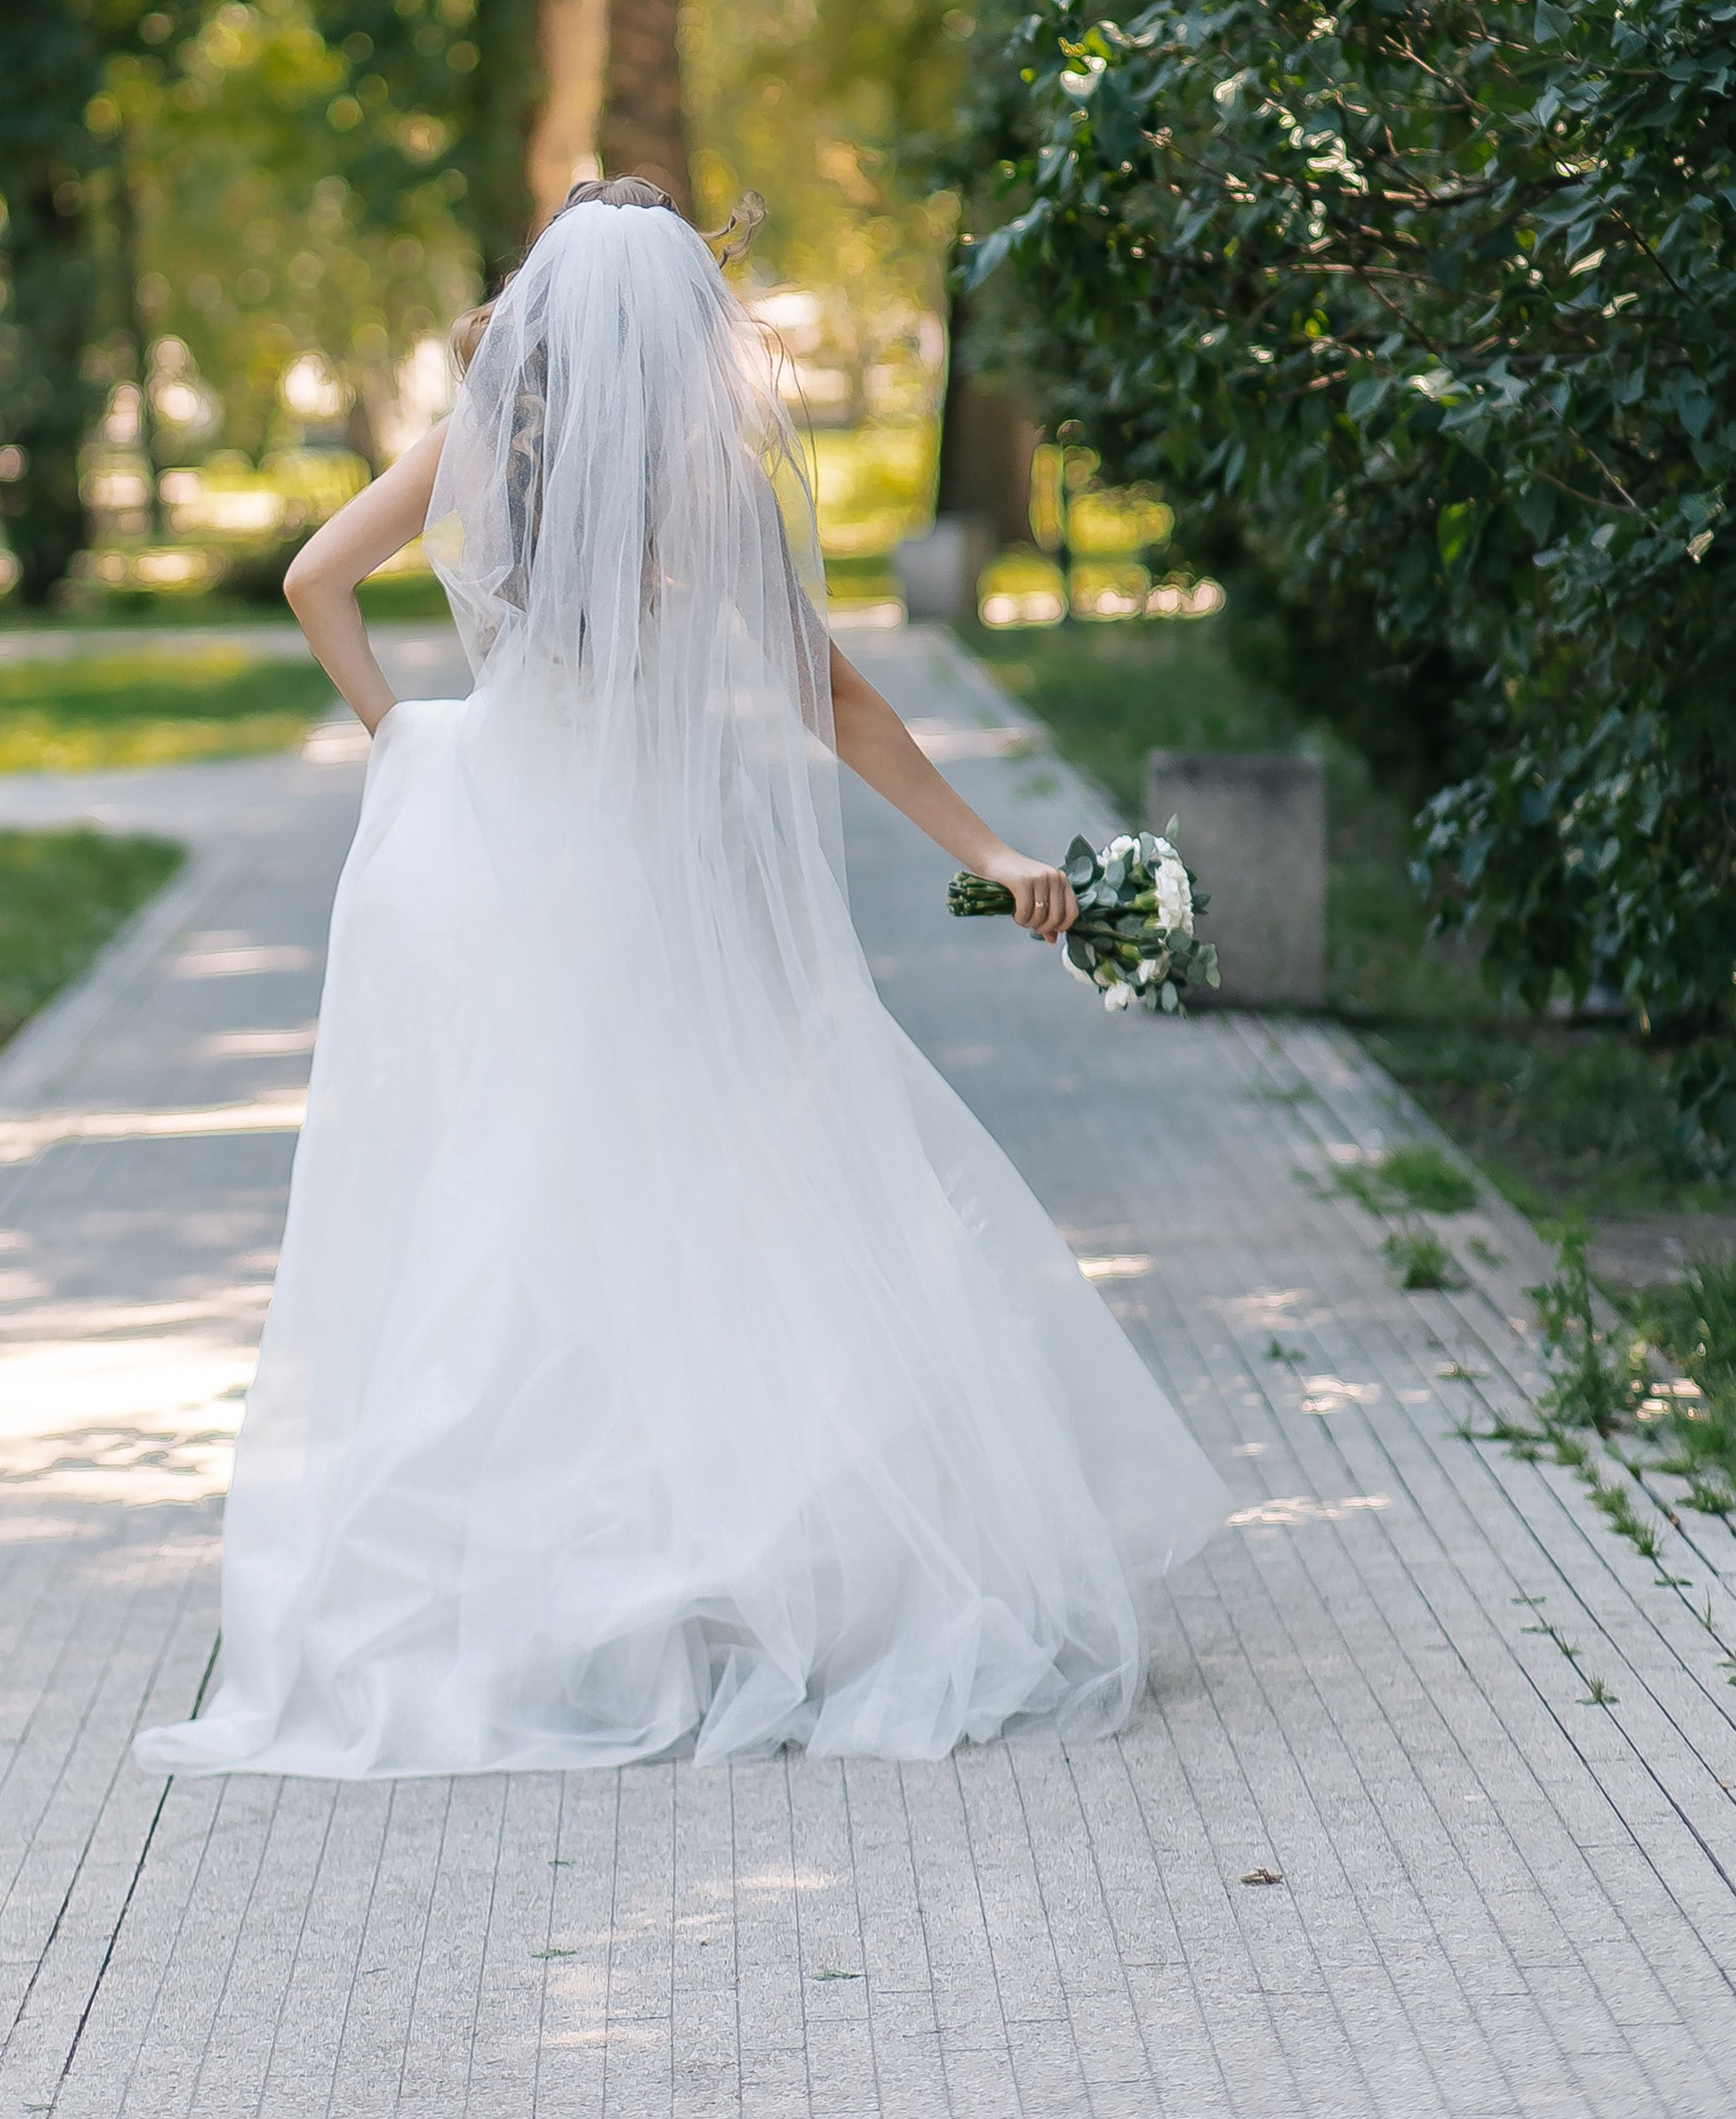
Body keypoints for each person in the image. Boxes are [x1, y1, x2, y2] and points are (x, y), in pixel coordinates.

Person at [137, 179, 1226, 1781]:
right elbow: (831, 698)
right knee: (704, 1187)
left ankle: (518, 1582)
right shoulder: (701, 483)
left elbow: (315, 579)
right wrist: (992, 849)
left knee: (513, 1199)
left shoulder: (477, 449)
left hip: (497, 856)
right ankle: (713, 1572)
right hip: (643, 870)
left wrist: (409, 746)